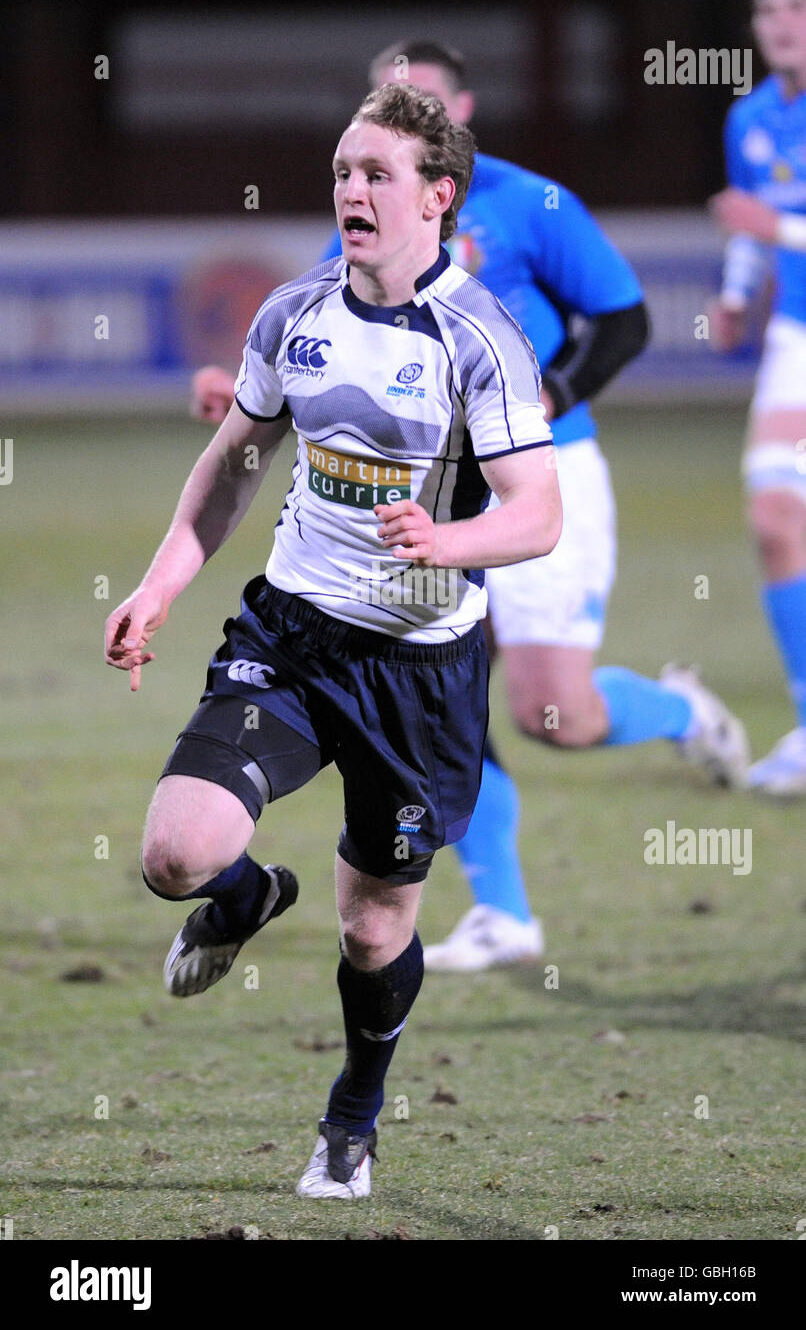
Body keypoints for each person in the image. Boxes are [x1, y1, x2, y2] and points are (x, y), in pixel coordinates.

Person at [193, 41, 750, 974]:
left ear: (462, 114)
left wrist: (536, 409)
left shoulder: (535, 202)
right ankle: (505, 913)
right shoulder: (373, 205)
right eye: (386, 99)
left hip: (538, 477)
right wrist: (254, 398)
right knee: (454, 696)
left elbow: (625, 319)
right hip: (421, 499)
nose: (400, 116)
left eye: (422, 102)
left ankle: (679, 711)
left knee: (553, 715)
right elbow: (335, 350)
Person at [105, 82, 562, 1199]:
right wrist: (160, 585)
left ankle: (351, 1118)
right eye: (342, 173)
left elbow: (537, 513)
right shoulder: (292, 312)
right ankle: (248, 892)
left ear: (437, 198)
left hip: (419, 671)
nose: (351, 191)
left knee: (371, 930)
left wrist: (448, 539)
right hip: (296, 637)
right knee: (175, 854)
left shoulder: (479, 339)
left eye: (376, 175)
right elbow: (233, 463)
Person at [709, 0, 806, 797]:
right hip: (797, 337)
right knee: (775, 514)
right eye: (767, 11)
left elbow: (765, 221)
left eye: (795, 10)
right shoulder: (751, 119)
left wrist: (776, 232)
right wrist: (738, 295)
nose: (778, 25)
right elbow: (748, 226)